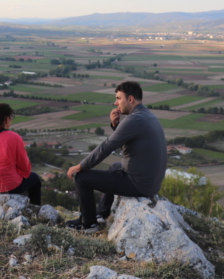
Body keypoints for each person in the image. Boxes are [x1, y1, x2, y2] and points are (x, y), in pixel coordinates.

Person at [66, 81, 167, 231]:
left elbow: (106, 147)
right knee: (114, 166)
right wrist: (116, 126)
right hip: (150, 182)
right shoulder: (147, 116)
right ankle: (102, 213)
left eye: (119, 98)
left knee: (82, 178)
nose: (116, 102)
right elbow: (127, 144)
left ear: (130, 99)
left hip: (138, 184)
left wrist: (81, 166)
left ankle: (88, 224)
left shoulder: (134, 119)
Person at [0, 103, 41, 205]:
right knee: (35, 179)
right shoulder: (14, 137)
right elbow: (24, 166)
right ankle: (35, 209)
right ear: (6, 119)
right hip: (8, 186)